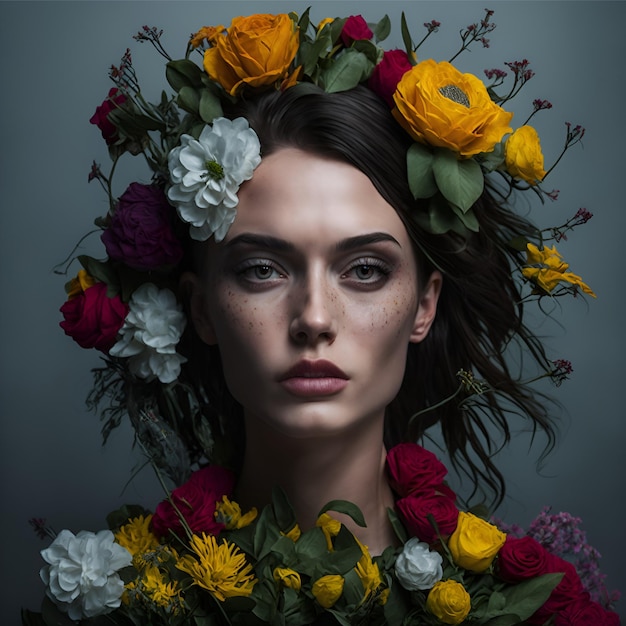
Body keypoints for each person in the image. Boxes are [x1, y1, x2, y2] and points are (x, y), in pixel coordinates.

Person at [28, 9, 619, 626]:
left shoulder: (525, 610)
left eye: (365, 270)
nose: (313, 318)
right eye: (261, 269)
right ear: (201, 309)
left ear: (424, 303)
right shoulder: (119, 604)